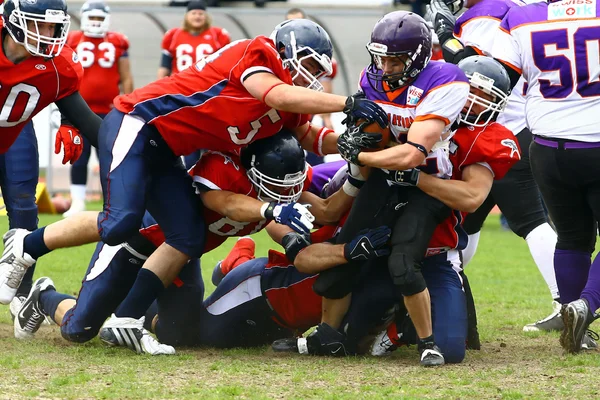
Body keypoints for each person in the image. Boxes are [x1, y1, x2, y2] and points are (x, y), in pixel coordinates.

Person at [0, 20, 388, 355]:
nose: (281, 191)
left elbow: (311, 145)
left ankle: (129, 318)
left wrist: (359, 156)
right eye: (306, 65)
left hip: (173, 191)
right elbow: (230, 197)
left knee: (182, 310)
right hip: (141, 134)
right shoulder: (255, 58)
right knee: (117, 234)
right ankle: (36, 271)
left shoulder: (286, 137)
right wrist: (347, 103)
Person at [13, 131, 362, 353]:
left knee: (179, 333)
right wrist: (272, 209)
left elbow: (326, 211)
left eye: (293, 185)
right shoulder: (223, 171)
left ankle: (125, 307)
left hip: (181, 254)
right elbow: (225, 204)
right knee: (79, 330)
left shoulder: (279, 182)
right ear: (252, 172)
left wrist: (357, 177)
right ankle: (44, 295)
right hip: (138, 242)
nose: (288, 193)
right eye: (278, 188)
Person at [276, 55, 520, 364]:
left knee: (450, 350)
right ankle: (372, 319)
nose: (474, 104)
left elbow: (472, 197)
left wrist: (417, 178)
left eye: (485, 98)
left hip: (436, 251)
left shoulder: (484, 137)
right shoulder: (412, 113)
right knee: (349, 337)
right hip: (380, 247)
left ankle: (404, 329)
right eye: (471, 93)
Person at [307, 11, 469, 367]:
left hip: (425, 186)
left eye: (395, 59)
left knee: (402, 259)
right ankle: (327, 334)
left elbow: (412, 153)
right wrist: (357, 138)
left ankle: (426, 340)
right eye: (381, 57)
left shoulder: (445, 79)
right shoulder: (372, 77)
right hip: (382, 177)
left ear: (420, 56)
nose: (386, 66)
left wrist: (359, 151)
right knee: (344, 249)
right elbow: (370, 131)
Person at [426, 0, 561, 333]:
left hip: (500, 129)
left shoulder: (494, 10)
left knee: (530, 219)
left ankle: (567, 300)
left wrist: (447, 36)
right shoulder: (506, 11)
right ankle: (448, 291)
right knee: (465, 224)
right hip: (490, 130)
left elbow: (484, 73)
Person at [492, 0, 600, 354]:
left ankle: (573, 321)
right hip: (596, 140)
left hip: (547, 146)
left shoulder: (520, 18)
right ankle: (584, 305)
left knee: (571, 237)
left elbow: (498, 78)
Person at [0, 0, 103, 307]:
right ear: (13, 22)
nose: (47, 34)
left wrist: (70, 122)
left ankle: (21, 294)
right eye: (38, 24)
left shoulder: (61, 65)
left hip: (14, 131)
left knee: (24, 207)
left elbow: (90, 122)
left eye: (52, 26)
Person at [64, 0, 134, 217]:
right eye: (92, 17)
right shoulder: (72, 38)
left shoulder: (117, 41)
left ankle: (111, 201)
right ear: (84, 17)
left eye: (99, 18)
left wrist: (127, 104)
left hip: (108, 109)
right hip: (79, 108)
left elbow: (126, 77)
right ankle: (77, 202)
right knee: (79, 155)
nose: (95, 22)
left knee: (109, 157)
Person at [158, 0, 231, 169]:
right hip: (182, 94)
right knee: (187, 140)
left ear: (206, 16)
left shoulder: (218, 35)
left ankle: (211, 183)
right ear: (186, 15)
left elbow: (228, 65)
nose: (197, 16)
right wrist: (161, 91)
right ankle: (189, 183)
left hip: (211, 95)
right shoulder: (173, 35)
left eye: (201, 13)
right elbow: (164, 68)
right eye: (194, 13)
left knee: (211, 142)